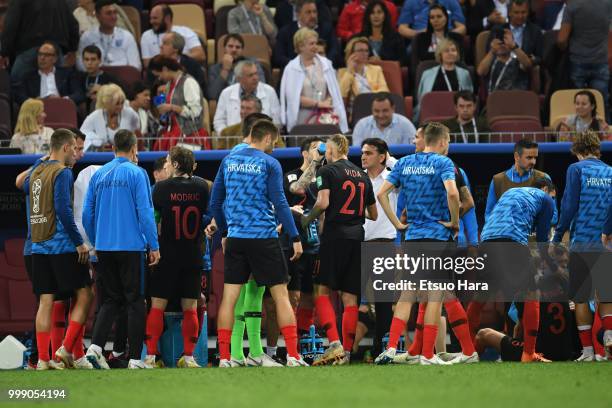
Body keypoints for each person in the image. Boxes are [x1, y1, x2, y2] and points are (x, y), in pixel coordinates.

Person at [209, 119, 308, 367]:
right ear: (266, 138)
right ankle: (294, 356)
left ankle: (224, 358)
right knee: (281, 297)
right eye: (272, 143)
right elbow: (281, 203)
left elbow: (215, 202)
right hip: (264, 237)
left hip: (236, 238)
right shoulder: (269, 163)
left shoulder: (228, 161)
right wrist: (295, 236)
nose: (273, 147)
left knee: (229, 299)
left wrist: (224, 232)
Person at [375, 123, 463, 366]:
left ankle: (392, 348)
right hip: (437, 236)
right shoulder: (443, 163)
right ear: (443, 142)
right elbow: (453, 194)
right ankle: (427, 355)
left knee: (407, 295)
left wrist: (397, 224)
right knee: (435, 297)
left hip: (412, 236)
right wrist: (454, 222)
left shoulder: (403, 163)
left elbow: (381, 194)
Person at [83, 129, 160, 370]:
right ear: (135, 148)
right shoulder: (138, 173)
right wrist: (154, 245)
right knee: (135, 301)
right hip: (131, 247)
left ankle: (95, 348)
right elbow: (145, 213)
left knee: (111, 300)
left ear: (113, 147)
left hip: (104, 248)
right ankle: (136, 359)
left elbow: (87, 214)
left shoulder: (99, 174)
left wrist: (98, 238)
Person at [301, 134, 377, 365]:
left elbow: (322, 203)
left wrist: (306, 221)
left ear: (332, 150)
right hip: (357, 237)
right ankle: (346, 352)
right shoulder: (363, 176)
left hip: (335, 237)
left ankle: (334, 343)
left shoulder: (328, 171)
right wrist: (353, 211)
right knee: (350, 297)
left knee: (322, 291)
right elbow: (373, 214)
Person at [25, 129, 91, 370]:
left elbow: (23, 189)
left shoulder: (36, 172)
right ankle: (65, 348)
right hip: (61, 245)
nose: (76, 152)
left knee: (46, 301)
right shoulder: (63, 173)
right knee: (85, 294)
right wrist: (78, 241)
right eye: (74, 147)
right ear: (65, 148)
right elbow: (63, 209)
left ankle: (43, 360)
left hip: (38, 247)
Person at [145, 147, 210, 369]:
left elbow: (154, 221)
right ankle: (189, 357)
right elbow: (208, 214)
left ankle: (151, 356)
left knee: (157, 306)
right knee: (190, 307)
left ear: (173, 164)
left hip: (167, 254)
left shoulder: (160, 188)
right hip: (192, 254)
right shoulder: (202, 187)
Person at [480, 178, 557, 362]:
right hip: (511, 242)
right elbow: (542, 239)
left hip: (485, 241)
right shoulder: (545, 199)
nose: (553, 201)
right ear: (545, 190)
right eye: (553, 197)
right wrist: (549, 263)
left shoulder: (511, 194)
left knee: (479, 297)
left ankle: (468, 351)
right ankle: (529, 353)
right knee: (532, 294)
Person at [262, 136, 325, 362]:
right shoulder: (290, 175)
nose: (322, 153)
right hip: (289, 244)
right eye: (317, 149)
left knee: (307, 298)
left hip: (314, 245)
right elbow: (294, 193)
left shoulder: (325, 177)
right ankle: (273, 350)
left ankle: (301, 349)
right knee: (283, 299)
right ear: (305, 153)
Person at [552, 131, 612, 361]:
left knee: (581, 297)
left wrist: (557, 236)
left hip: (583, 243)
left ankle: (587, 352)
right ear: (597, 150)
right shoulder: (610, 172)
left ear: (578, 151)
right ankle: (608, 337)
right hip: (606, 244)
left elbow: (568, 206)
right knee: (606, 295)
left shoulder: (576, 169)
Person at [360, 138, 398, 356]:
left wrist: (390, 159)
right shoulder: (358, 179)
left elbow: (402, 167)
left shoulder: (394, 178)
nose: (363, 156)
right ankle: (346, 349)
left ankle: (381, 349)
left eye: (369, 153)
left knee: (384, 302)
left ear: (382, 157)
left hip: (384, 244)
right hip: (359, 244)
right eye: (362, 153)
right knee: (353, 297)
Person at [279, 28, 348, 133]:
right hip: (302, 118)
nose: (315, 47)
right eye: (311, 44)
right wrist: (318, 104)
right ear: (301, 46)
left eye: (316, 43)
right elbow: (293, 97)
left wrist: (327, 102)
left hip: (325, 117)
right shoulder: (291, 68)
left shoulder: (326, 64)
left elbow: (333, 91)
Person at [0, 0, 79, 83]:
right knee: (57, 88)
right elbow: (73, 25)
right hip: (55, 51)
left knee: (17, 85)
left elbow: (10, 25)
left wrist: (5, 51)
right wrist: (72, 49)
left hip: (29, 50)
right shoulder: (60, 2)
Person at [557, 0, 611, 122]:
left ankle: (577, 137)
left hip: (577, 61)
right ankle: (606, 137)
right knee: (602, 105)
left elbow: (561, 40)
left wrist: (565, 48)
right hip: (601, 61)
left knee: (578, 106)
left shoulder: (572, 7)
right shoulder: (608, 4)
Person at [149, 55, 209, 151]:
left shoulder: (188, 82)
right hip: (172, 133)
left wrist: (172, 107)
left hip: (189, 135)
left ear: (165, 69)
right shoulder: (169, 85)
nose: (159, 78)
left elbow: (195, 111)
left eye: (159, 75)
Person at [484, 139, 551, 220]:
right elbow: (489, 214)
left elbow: (553, 215)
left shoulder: (544, 178)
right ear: (516, 157)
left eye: (535, 157)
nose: (533, 162)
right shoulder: (497, 180)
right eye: (529, 157)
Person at [214, 60, 281, 134]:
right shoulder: (226, 93)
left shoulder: (270, 91)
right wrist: (228, 136)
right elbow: (219, 121)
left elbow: (277, 121)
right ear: (239, 79)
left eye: (256, 74)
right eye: (250, 75)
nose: (255, 78)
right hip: (234, 140)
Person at [415, 38, 473, 122]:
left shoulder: (464, 73)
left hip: (457, 112)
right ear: (440, 54)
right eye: (446, 51)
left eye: (453, 50)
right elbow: (422, 98)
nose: (450, 53)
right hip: (434, 111)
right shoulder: (428, 74)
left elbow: (469, 96)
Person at [77, 0, 142, 71]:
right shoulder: (87, 37)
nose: (113, 17)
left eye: (115, 13)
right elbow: (80, 64)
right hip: (96, 77)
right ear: (97, 16)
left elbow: (136, 66)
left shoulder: (127, 36)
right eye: (108, 13)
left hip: (122, 78)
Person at [13, 42, 84, 106]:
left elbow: (79, 94)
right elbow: (19, 95)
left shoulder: (67, 74)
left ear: (55, 58)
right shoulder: (28, 76)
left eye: (47, 55)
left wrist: (63, 100)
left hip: (61, 107)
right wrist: (34, 101)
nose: (42, 58)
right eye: (40, 54)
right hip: (38, 110)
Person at [274, 0, 340, 67]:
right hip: (295, 71)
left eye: (314, 12)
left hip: (323, 69)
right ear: (298, 15)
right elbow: (279, 57)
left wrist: (323, 63)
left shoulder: (327, 29)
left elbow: (335, 51)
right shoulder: (285, 32)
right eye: (308, 12)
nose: (313, 15)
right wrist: (299, 65)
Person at [80, 84, 140, 151]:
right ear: (107, 103)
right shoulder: (95, 116)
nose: (120, 107)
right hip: (102, 157)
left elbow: (138, 132)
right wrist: (97, 146)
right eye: (117, 104)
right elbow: (81, 135)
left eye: (122, 103)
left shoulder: (130, 113)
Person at [141, 4, 205, 67]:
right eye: (150, 18)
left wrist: (178, 58)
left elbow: (200, 55)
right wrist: (169, 61)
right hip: (159, 73)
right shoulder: (146, 36)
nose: (151, 21)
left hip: (185, 69)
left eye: (155, 18)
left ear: (167, 18)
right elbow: (147, 64)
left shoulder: (186, 32)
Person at [207, 34, 267, 101]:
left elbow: (262, 87)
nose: (234, 50)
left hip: (250, 101)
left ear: (242, 50)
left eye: (238, 47)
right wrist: (225, 70)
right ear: (224, 48)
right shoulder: (215, 69)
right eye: (230, 46)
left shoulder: (253, 64)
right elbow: (212, 95)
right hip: (227, 104)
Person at [476, 25, 532, 94]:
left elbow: (528, 65)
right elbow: (480, 72)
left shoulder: (518, 58)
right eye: (500, 40)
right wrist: (492, 51)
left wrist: (513, 46)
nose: (502, 44)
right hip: (493, 100)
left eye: (505, 39)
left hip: (515, 99)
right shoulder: (491, 59)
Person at [339, 37, 389, 109]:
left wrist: (368, 97)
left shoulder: (376, 69)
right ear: (351, 53)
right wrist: (349, 71)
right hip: (358, 109)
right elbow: (341, 94)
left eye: (366, 51)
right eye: (360, 50)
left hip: (377, 105)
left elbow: (385, 90)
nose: (364, 53)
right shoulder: (343, 73)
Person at [351, 92, 416, 146]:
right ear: (372, 110)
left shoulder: (406, 125)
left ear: (393, 109)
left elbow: (411, 152)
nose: (380, 115)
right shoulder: (361, 125)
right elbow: (357, 153)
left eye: (385, 111)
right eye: (376, 111)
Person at [354, 0, 407, 64]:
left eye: (379, 12)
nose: (376, 16)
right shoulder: (359, 39)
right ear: (368, 16)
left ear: (385, 15)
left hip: (388, 72)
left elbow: (403, 62)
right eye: (372, 13)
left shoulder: (396, 38)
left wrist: (382, 62)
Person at [397, 0, 466, 41]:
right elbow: (402, 28)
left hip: (447, 39)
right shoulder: (411, 2)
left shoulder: (451, 1)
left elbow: (462, 28)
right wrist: (421, 34)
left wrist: (445, 34)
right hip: (421, 39)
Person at [80, 45, 121, 112]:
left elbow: (122, 93)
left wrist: (103, 90)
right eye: (86, 59)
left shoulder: (109, 78)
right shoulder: (79, 77)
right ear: (83, 61)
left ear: (99, 60)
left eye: (93, 59)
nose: (89, 63)